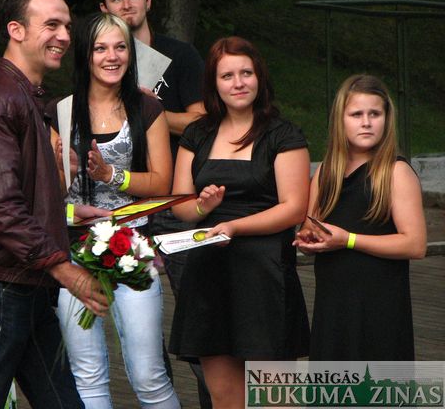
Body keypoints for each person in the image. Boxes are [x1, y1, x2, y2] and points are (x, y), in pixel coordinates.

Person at [0, 0, 109, 409]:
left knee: (62, 402)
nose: (64, 36)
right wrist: (63, 269)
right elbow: (0, 206)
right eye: (51, 25)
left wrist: (64, 213)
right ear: (16, 30)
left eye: (67, 26)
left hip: (22, 279)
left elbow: (15, 193)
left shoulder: (22, 95)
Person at [170, 36, 310, 408]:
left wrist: (235, 226)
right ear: (213, 83)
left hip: (264, 274)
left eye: (246, 73)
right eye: (227, 75)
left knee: (275, 398)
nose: (238, 83)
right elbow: (181, 206)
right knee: (225, 397)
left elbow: (294, 208)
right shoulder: (197, 134)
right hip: (210, 275)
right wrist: (203, 207)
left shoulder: (283, 134)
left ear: (259, 77)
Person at [50, 12, 179, 409]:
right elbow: (46, 194)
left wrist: (112, 175)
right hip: (75, 250)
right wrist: (65, 171)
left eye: (120, 47)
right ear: (85, 55)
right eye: (101, 48)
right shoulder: (61, 111)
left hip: (132, 247)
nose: (112, 56)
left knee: (149, 375)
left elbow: (162, 183)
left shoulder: (146, 108)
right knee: (86, 375)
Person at [99, 0, 210, 407]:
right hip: (126, 205)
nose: (126, 5)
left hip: (176, 198)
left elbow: (202, 120)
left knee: (197, 314)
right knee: (140, 326)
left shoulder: (178, 54)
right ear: (104, 8)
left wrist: (152, 109)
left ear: (148, 1)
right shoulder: (103, 62)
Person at [294, 74, 426, 360]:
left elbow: (415, 245)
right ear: (340, 120)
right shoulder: (326, 171)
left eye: (374, 114)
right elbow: (311, 224)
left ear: (387, 119)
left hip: (379, 309)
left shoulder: (395, 171)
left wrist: (349, 240)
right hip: (333, 305)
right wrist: (308, 239)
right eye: (356, 114)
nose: (366, 122)